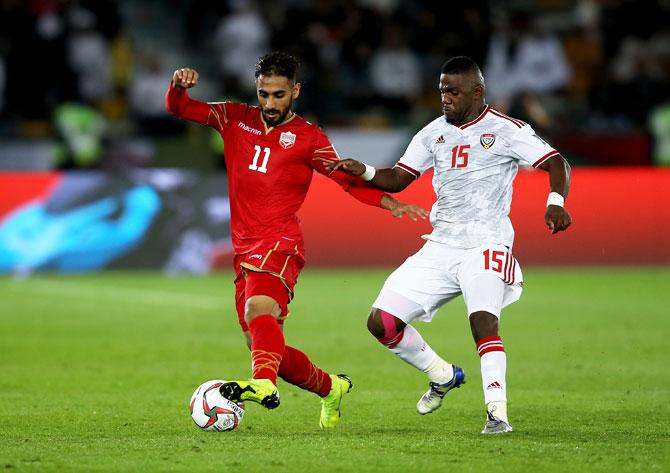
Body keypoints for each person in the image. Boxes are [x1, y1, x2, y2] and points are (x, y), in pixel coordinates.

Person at [165, 51, 427, 428]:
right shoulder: (234, 117)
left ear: (296, 91)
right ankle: (331, 387)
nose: (269, 103)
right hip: (244, 247)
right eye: (264, 94)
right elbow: (180, 109)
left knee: (259, 313)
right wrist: (176, 86)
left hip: (281, 244)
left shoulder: (309, 138)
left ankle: (263, 385)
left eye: (278, 95)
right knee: (264, 344)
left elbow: (346, 181)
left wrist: (388, 202)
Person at [326, 56, 572, 434]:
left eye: (453, 91)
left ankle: (497, 413)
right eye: (442, 90)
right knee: (382, 322)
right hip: (441, 244)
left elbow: (556, 162)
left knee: (483, 323)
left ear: (477, 92)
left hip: (486, 242)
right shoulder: (431, 133)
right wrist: (368, 172)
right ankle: (442, 375)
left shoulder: (506, 129)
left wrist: (555, 203)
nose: (445, 98)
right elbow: (397, 179)